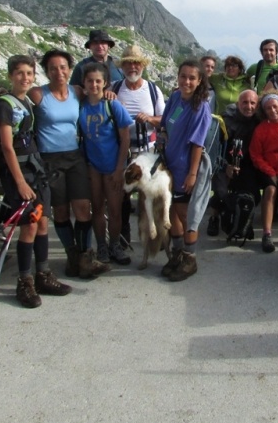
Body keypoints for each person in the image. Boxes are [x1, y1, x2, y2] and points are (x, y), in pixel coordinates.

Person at [0, 54, 72, 308]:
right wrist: (20, 183)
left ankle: (43, 274)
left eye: (29, 73)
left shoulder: (25, 102)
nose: (25, 78)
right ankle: (24, 281)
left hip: (35, 170)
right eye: (20, 73)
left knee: (42, 222)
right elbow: (7, 146)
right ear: (10, 75)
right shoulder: (5, 105)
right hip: (20, 173)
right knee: (29, 225)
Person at [28, 49, 109, 280]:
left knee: (83, 208)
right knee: (61, 210)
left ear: (70, 69)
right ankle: (72, 258)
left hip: (74, 157)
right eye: (53, 68)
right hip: (49, 159)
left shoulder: (76, 91)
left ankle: (85, 257)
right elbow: (18, 99)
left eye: (63, 67)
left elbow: (96, 92)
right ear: (46, 71)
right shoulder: (38, 94)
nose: (59, 72)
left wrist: (109, 94)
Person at [159, 60, 213, 281]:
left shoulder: (200, 107)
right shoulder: (175, 98)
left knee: (185, 214)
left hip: (186, 167)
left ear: (200, 81)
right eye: (183, 76)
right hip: (169, 165)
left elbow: (197, 144)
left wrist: (192, 174)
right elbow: (164, 124)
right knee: (172, 211)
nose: (187, 81)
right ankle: (177, 254)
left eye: (192, 78)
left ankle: (190, 259)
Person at [79, 62, 133, 266]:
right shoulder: (81, 105)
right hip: (93, 165)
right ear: (84, 82)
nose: (94, 85)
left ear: (105, 83)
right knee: (97, 208)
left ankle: (115, 245)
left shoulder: (113, 105)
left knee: (115, 210)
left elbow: (125, 138)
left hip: (113, 165)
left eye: (98, 81)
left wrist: (120, 168)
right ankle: (101, 245)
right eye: (90, 81)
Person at [113, 45, 166, 247]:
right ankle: (124, 235)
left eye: (136, 63)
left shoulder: (152, 90)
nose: (132, 67)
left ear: (142, 66)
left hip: (147, 150)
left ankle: (151, 236)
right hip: (122, 150)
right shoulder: (114, 89)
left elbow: (163, 120)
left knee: (149, 195)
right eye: (128, 63)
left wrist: (150, 119)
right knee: (122, 195)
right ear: (122, 67)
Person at [205, 89, 260, 240]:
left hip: (247, 162)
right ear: (238, 103)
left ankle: (244, 220)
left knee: (252, 190)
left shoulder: (258, 121)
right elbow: (215, 149)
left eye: (253, 103)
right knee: (221, 190)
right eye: (245, 102)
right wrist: (226, 166)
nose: (249, 106)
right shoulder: (225, 121)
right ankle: (214, 217)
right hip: (224, 161)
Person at [249, 89, 278, 252]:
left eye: (275, 106)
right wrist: (269, 171)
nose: (272, 110)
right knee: (270, 190)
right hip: (267, 168)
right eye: (268, 108)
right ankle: (267, 234)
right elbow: (255, 155)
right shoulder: (261, 129)